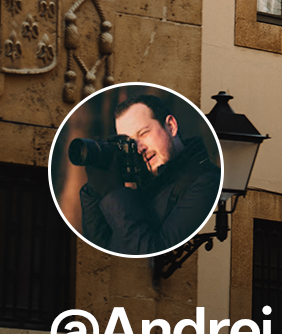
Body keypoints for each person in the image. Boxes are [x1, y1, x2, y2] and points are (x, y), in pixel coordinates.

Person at [78, 90, 221, 255]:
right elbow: (104, 251)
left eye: (143, 133)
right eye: (129, 142)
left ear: (171, 126)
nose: (139, 148)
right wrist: (95, 191)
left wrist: (114, 192)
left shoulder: (207, 181)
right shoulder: (143, 182)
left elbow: (152, 254)